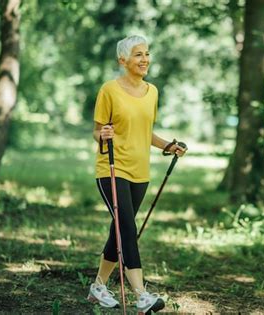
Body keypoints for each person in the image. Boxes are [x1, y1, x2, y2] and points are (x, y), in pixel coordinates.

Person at [87, 35, 187, 313]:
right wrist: (103, 134)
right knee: (128, 229)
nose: (145, 59)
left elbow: (146, 131)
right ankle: (141, 294)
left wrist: (168, 146)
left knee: (118, 231)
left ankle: (97, 286)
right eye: (138, 55)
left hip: (140, 171)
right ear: (123, 60)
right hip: (112, 169)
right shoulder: (109, 90)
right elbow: (98, 130)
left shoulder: (152, 92)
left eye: (147, 53)